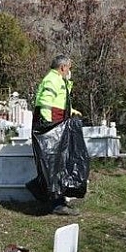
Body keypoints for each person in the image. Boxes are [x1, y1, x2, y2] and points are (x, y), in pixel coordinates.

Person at [32, 54, 82, 216]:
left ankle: (57, 201)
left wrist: (71, 111)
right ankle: (56, 204)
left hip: (57, 127)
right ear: (62, 68)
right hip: (52, 129)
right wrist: (50, 130)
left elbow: (59, 102)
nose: (69, 71)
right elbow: (45, 105)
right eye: (68, 68)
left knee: (58, 165)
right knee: (54, 166)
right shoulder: (52, 80)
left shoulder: (58, 80)